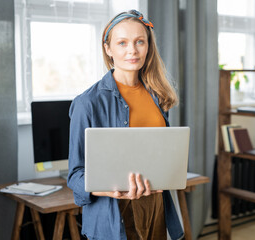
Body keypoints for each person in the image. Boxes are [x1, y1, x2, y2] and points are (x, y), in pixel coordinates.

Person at [67, 10, 184, 240]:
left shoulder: (157, 95)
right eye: (122, 43)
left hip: (155, 205)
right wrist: (111, 188)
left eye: (140, 41)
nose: (132, 50)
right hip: (113, 213)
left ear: (148, 46)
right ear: (108, 49)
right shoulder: (87, 103)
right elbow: (75, 176)